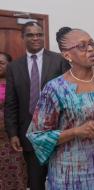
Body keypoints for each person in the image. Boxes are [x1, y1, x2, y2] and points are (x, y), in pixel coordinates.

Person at [26, 27, 94, 190]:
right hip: (70, 176)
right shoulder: (55, 88)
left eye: (92, 43)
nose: (90, 49)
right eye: (82, 46)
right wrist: (76, 132)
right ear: (67, 55)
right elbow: (37, 136)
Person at [4, 21, 70, 190]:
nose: (36, 38)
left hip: (58, 132)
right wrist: (12, 133)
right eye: (31, 35)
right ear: (23, 37)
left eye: (39, 34)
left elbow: (69, 97)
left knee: (62, 181)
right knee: (35, 182)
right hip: (29, 134)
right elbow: (11, 103)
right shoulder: (13, 67)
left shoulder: (59, 61)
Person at [0, 52, 27, 190]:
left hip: (12, 136)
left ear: (10, 65)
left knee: (15, 168)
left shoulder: (17, 81)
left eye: (2, 63)